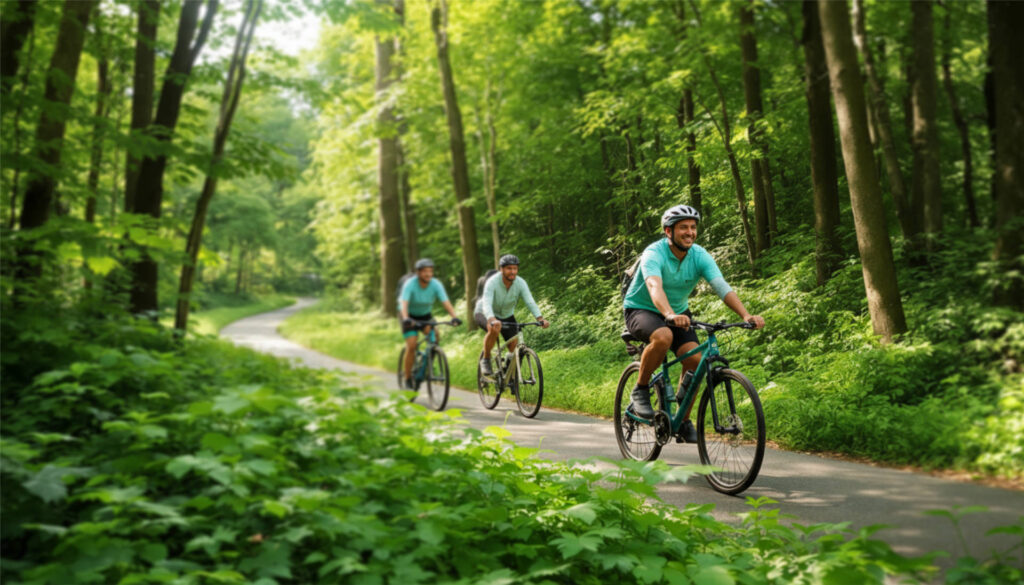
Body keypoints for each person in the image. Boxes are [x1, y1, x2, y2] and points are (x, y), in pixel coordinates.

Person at [623, 205, 765, 442]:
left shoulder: (699, 255)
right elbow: (654, 287)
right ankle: (640, 388)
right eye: (683, 228)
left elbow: (721, 286)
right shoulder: (654, 253)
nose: (689, 232)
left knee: (695, 361)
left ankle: (683, 419)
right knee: (663, 336)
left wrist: (745, 315)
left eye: (693, 227)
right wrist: (668, 315)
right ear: (668, 231)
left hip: (678, 312)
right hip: (642, 308)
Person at [474, 254, 550, 377]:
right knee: (494, 328)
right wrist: (492, 319)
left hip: (506, 315)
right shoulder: (492, 282)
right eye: (509, 268)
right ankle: (486, 360)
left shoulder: (520, 283)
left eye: (515, 268)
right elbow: (487, 302)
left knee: (514, 344)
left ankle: (508, 372)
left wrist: (540, 319)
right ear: (501, 269)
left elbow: (529, 301)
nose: (512, 271)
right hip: (485, 313)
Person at [398, 258, 461, 389]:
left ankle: (427, 365)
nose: (428, 274)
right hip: (408, 316)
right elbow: (404, 303)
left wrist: (454, 317)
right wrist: (405, 318)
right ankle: (408, 378)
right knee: (412, 345)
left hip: (425, 316)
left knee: (435, 337)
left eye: (430, 271)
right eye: (425, 271)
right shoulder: (410, 284)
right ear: (418, 273)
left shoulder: (435, 284)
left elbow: (446, 302)